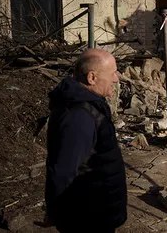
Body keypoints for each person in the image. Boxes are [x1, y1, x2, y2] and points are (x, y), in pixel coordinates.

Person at [43, 49, 127, 232]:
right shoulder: (79, 116)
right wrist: (55, 211)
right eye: (113, 73)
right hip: (88, 218)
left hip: (97, 211)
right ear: (92, 78)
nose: (116, 79)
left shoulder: (89, 105)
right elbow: (63, 171)